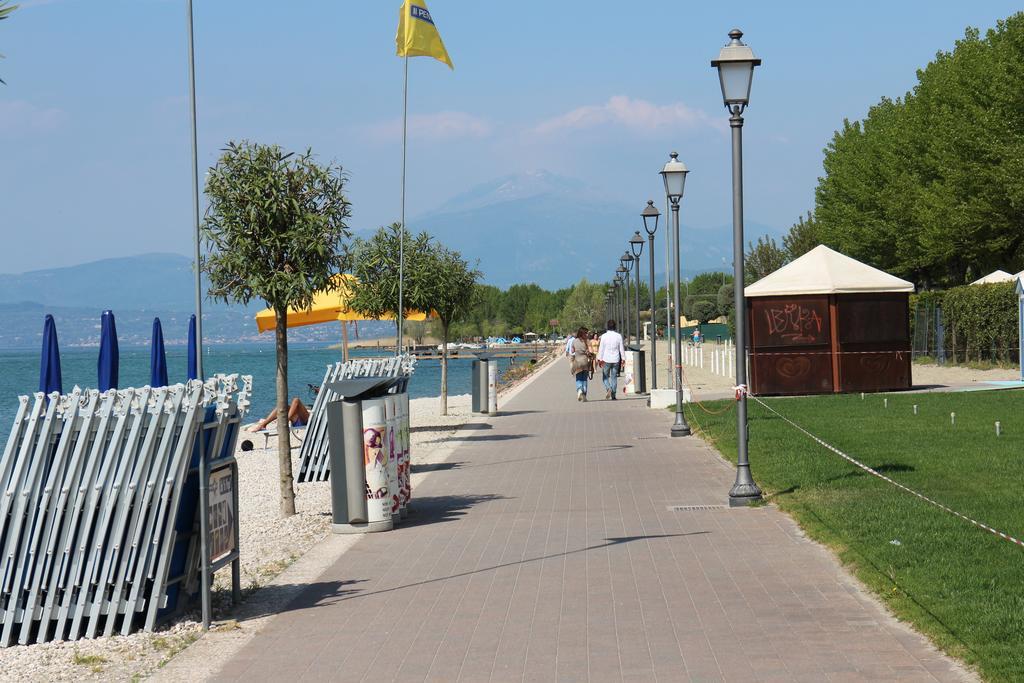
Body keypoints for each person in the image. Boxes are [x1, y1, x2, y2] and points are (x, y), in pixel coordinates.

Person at [597, 320, 626, 400]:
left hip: (606, 359)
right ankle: (613, 394)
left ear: (607, 327)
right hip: (616, 359)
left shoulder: (604, 336)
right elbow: (621, 348)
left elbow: (601, 348)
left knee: (605, 377)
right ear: (615, 327)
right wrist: (623, 359)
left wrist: (599, 359)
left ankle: (608, 388)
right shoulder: (618, 336)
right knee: (614, 377)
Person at [570, 327, 591, 401]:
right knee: (584, 379)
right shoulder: (587, 341)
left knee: (578, 378)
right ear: (583, 333)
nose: (587, 334)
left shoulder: (574, 341)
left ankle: (579, 390)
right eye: (586, 333)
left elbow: (572, 351)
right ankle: (584, 394)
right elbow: (589, 352)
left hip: (577, 362)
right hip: (585, 362)